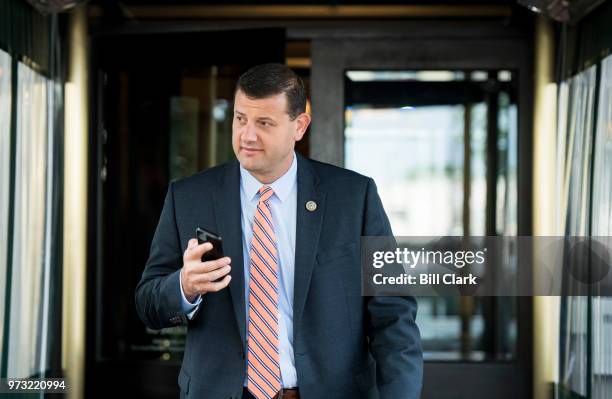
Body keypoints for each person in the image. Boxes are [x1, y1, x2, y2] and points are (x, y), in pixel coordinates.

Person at [135, 63, 423, 399]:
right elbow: (148, 304)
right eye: (240, 119)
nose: (248, 135)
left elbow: (394, 315)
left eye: (264, 123)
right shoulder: (188, 197)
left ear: (299, 126)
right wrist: (183, 287)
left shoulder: (354, 198)